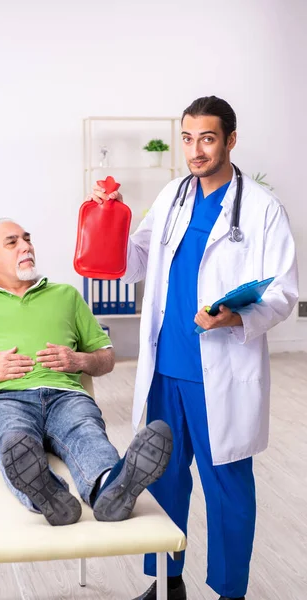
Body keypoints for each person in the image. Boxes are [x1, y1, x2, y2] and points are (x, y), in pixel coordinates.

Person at [89, 96, 298, 600]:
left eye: (207, 138)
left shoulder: (264, 208)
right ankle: (167, 584)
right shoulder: (172, 196)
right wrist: (109, 218)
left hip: (220, 370)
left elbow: (283, 292)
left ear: (229, 139)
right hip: (165, 366)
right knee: (162, 480)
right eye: (187, 138)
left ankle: (231, 592)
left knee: (227, 488)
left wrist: (236, 314)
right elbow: (135, 262)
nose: (195, 150)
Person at [0, 218, 173, 527]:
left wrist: (79, 360)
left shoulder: (66, 295)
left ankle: (110, 489)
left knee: (86, 433)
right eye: (12, 242)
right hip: (1, 400)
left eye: (27, 239)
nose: (26, 246)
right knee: (13, 438)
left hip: (66, 397)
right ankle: (48, 493)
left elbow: (106, 358)